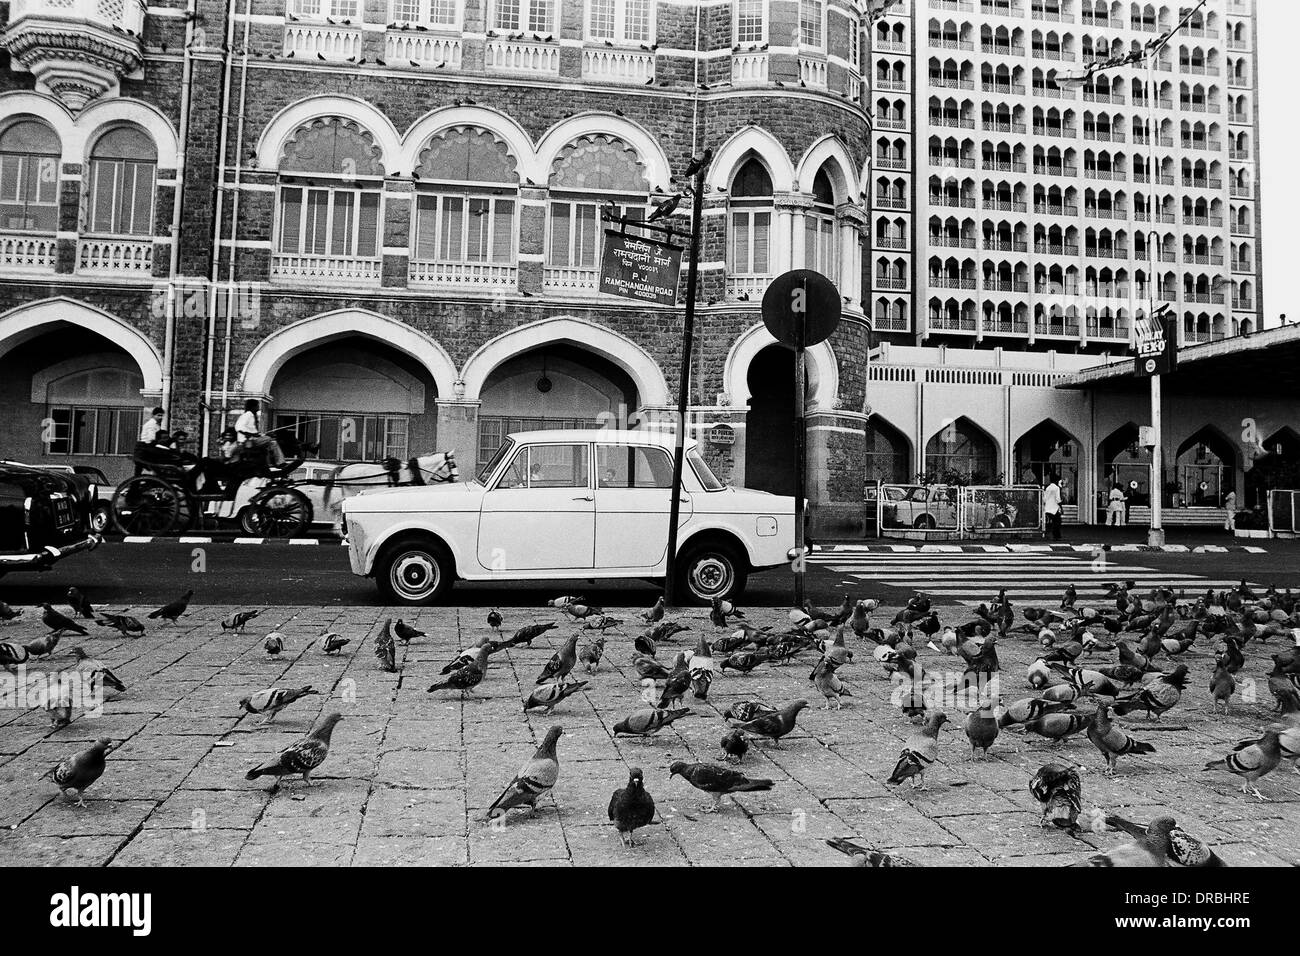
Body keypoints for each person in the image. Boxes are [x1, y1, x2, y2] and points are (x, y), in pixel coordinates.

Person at [1043, 476, 1062, 541]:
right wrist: (1061, 507)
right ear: (1056, 481)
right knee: (1057, 521)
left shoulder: (1048, 488)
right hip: (1054, 508)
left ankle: (1052, 535)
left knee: (1053, 522)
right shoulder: (1057, 488)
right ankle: (1056, 535)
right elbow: (1058, 499)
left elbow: (1044, 499)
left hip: (1048, 507)